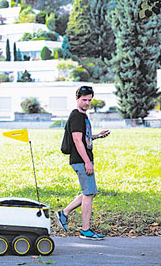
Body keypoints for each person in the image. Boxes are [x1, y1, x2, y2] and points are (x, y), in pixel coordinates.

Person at [55, 85, 110, 240]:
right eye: (84, 100)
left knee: (89, 192)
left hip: (83, 159)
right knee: (89, 193)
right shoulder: (76, 117)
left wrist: (97, 136)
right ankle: (85, 230)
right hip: (80, 160)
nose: (87, 103)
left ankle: (63, 213)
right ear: (77, 98)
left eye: (89, 100)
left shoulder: (82, 117)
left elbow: (84, 138)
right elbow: (77, 141)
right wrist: (87, 162)